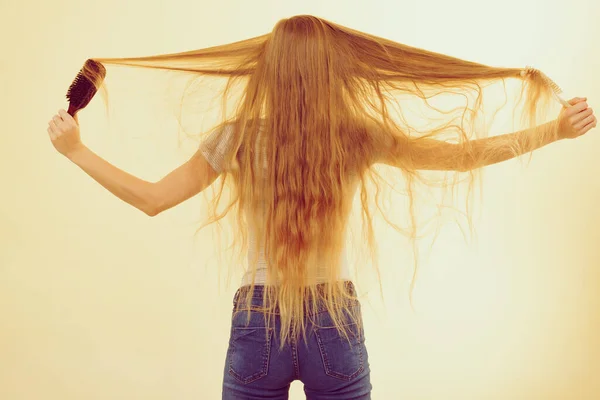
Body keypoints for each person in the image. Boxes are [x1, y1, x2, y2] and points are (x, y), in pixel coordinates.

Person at [46, 15, 595, 400]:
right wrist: (554, 131)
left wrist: (76, 151)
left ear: (268, 69)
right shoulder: (357, 137)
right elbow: (460, 157)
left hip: (256, 321)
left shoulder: (234, 137)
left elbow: (152, 199)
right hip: (336, 319)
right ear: (335, 72)